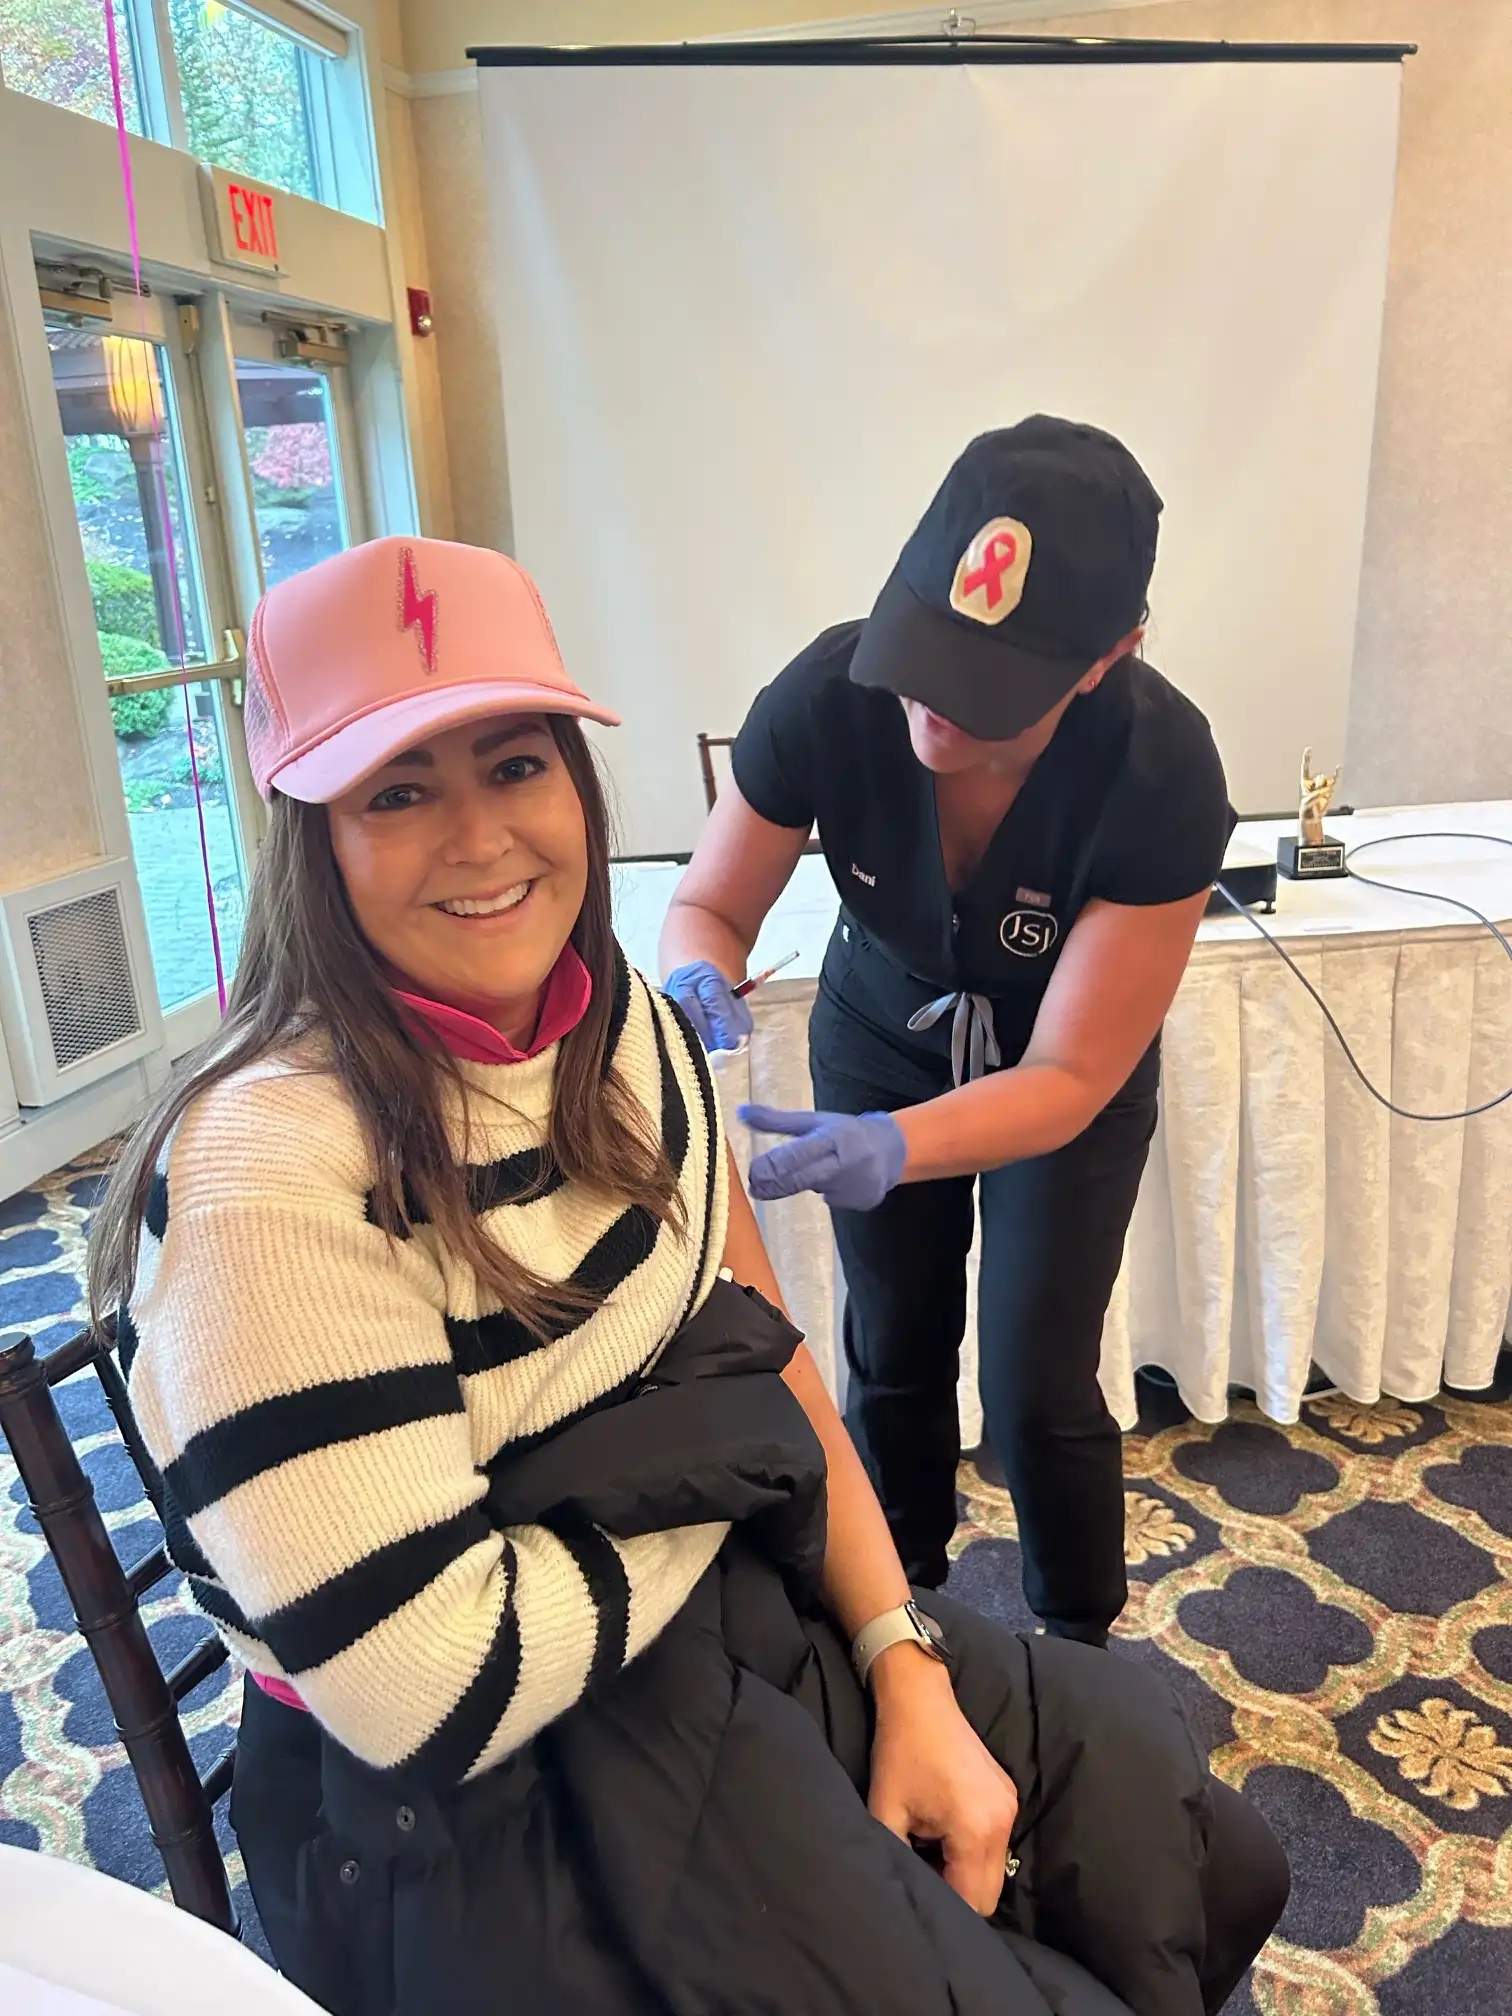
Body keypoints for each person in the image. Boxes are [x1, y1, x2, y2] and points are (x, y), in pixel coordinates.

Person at [90, 535, 1282, 2016]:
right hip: (461, 1815)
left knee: (1197, 1845)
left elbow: (764, 1351)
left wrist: (897, 1652)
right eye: (398, 790)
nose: (479, 840)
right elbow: (437, 1691)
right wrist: (733, 1469)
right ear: (305, 836)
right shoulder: (269, 1177)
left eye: (514, 764)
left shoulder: (630, 1038)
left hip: (695, 1625)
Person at [662, 417, 1234, 1645]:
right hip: (881, 1032)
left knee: (1036, 1378)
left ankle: (1079, 1638)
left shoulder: (1163, 767)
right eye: (926, 654)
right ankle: (899, 1614)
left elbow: (1074, 1073)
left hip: (1055, 1079)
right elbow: (708, 903)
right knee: (897, 1347)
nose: (936, 710)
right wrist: (697, 973)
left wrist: (898, 1144)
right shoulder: (830, 690)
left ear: (1109, 656)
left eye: (992, 693)